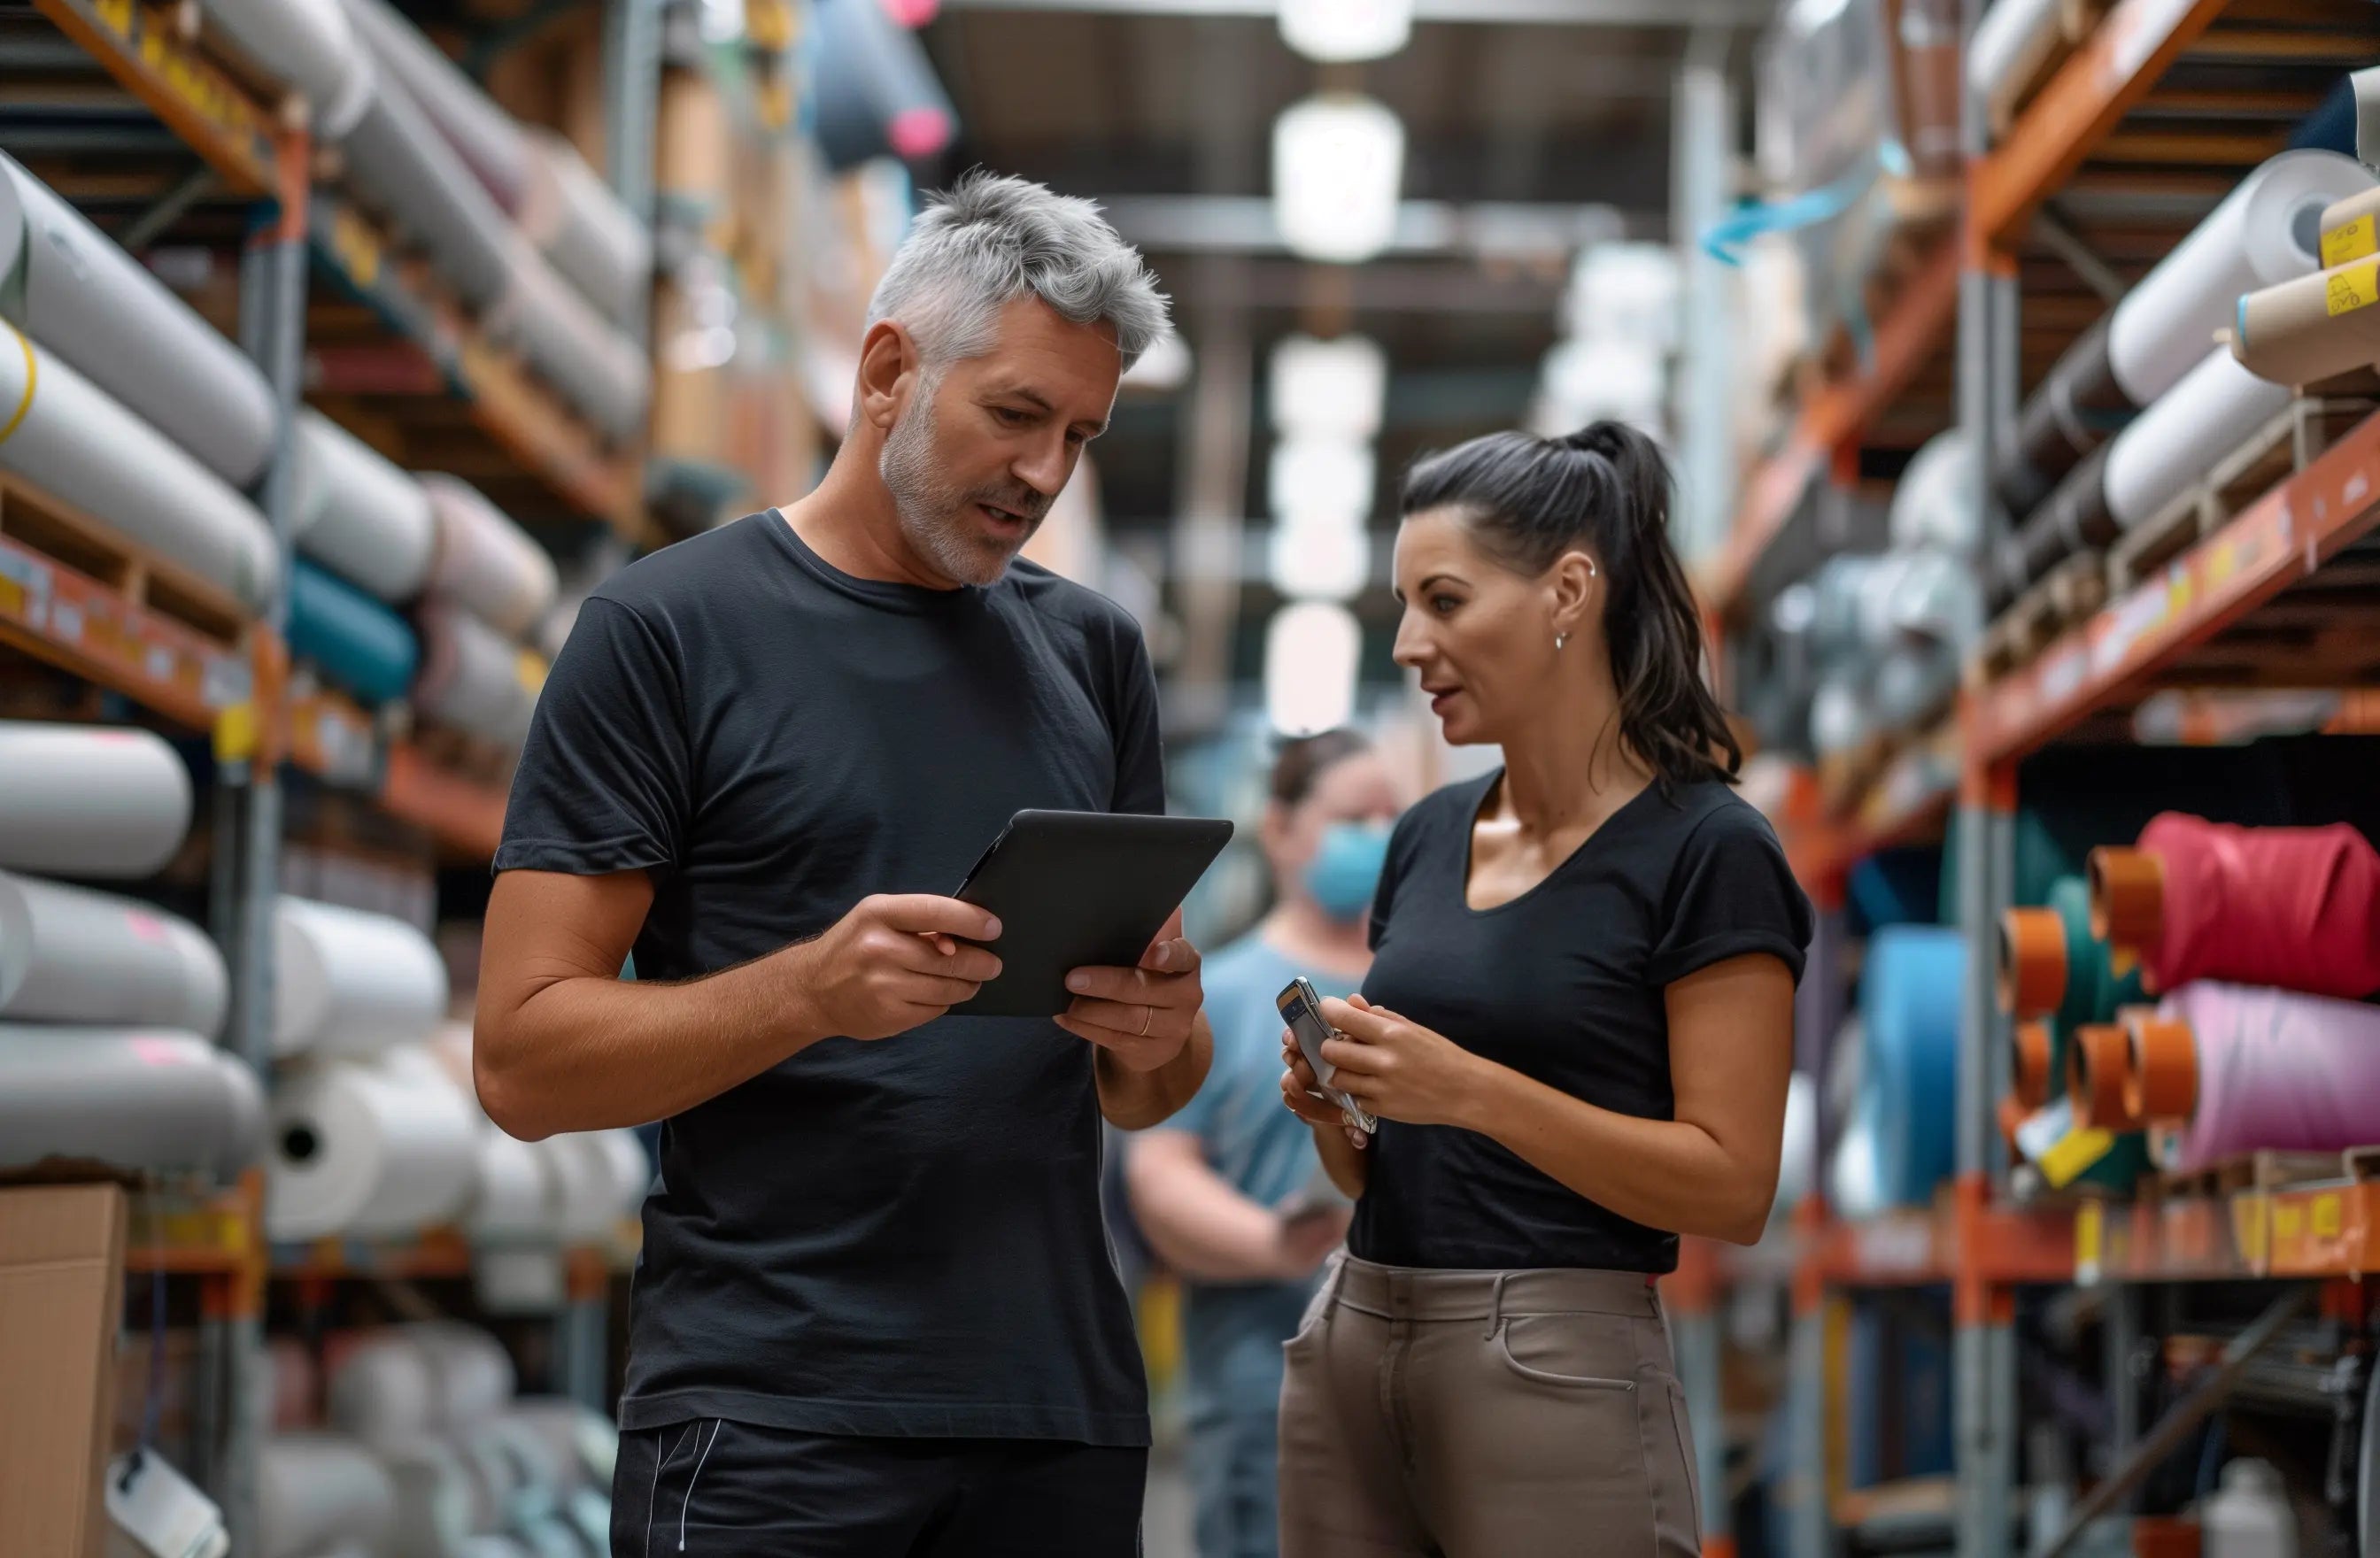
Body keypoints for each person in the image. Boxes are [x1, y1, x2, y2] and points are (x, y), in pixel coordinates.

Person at [474, 172, 1211, 1558]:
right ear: (888, 372)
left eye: (1080, 435)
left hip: (1055, 1418)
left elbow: (1151, 1090)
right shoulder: (665, 632)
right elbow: (520, 1062)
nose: (1046, 474)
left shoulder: (1095, 656)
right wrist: (811, 991)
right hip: (772, 1421)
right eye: (1014, 415)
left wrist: (1162, 1030)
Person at [1273, 422, 1813, 1558]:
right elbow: (1392, 1155)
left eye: (1447, 600)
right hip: (1357, 1323)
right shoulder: (1425, 837)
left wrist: (1467, 1089)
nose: (1412, 644)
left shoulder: (1707, 848)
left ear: (1569, 589)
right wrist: (1345, 1113)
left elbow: (1731, 1185)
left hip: (1551, 1356)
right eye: (1405, 604)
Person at [1125, 730, 1403, 1558]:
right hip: (1267, 1374)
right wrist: (1278, 1245)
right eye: (1356, 816)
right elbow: (1160, 1172)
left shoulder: (1415, 985)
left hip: (1418, 1372)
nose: (1380, 835)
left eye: (1394, 817)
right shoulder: (1230, 993)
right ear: (1281, 830)